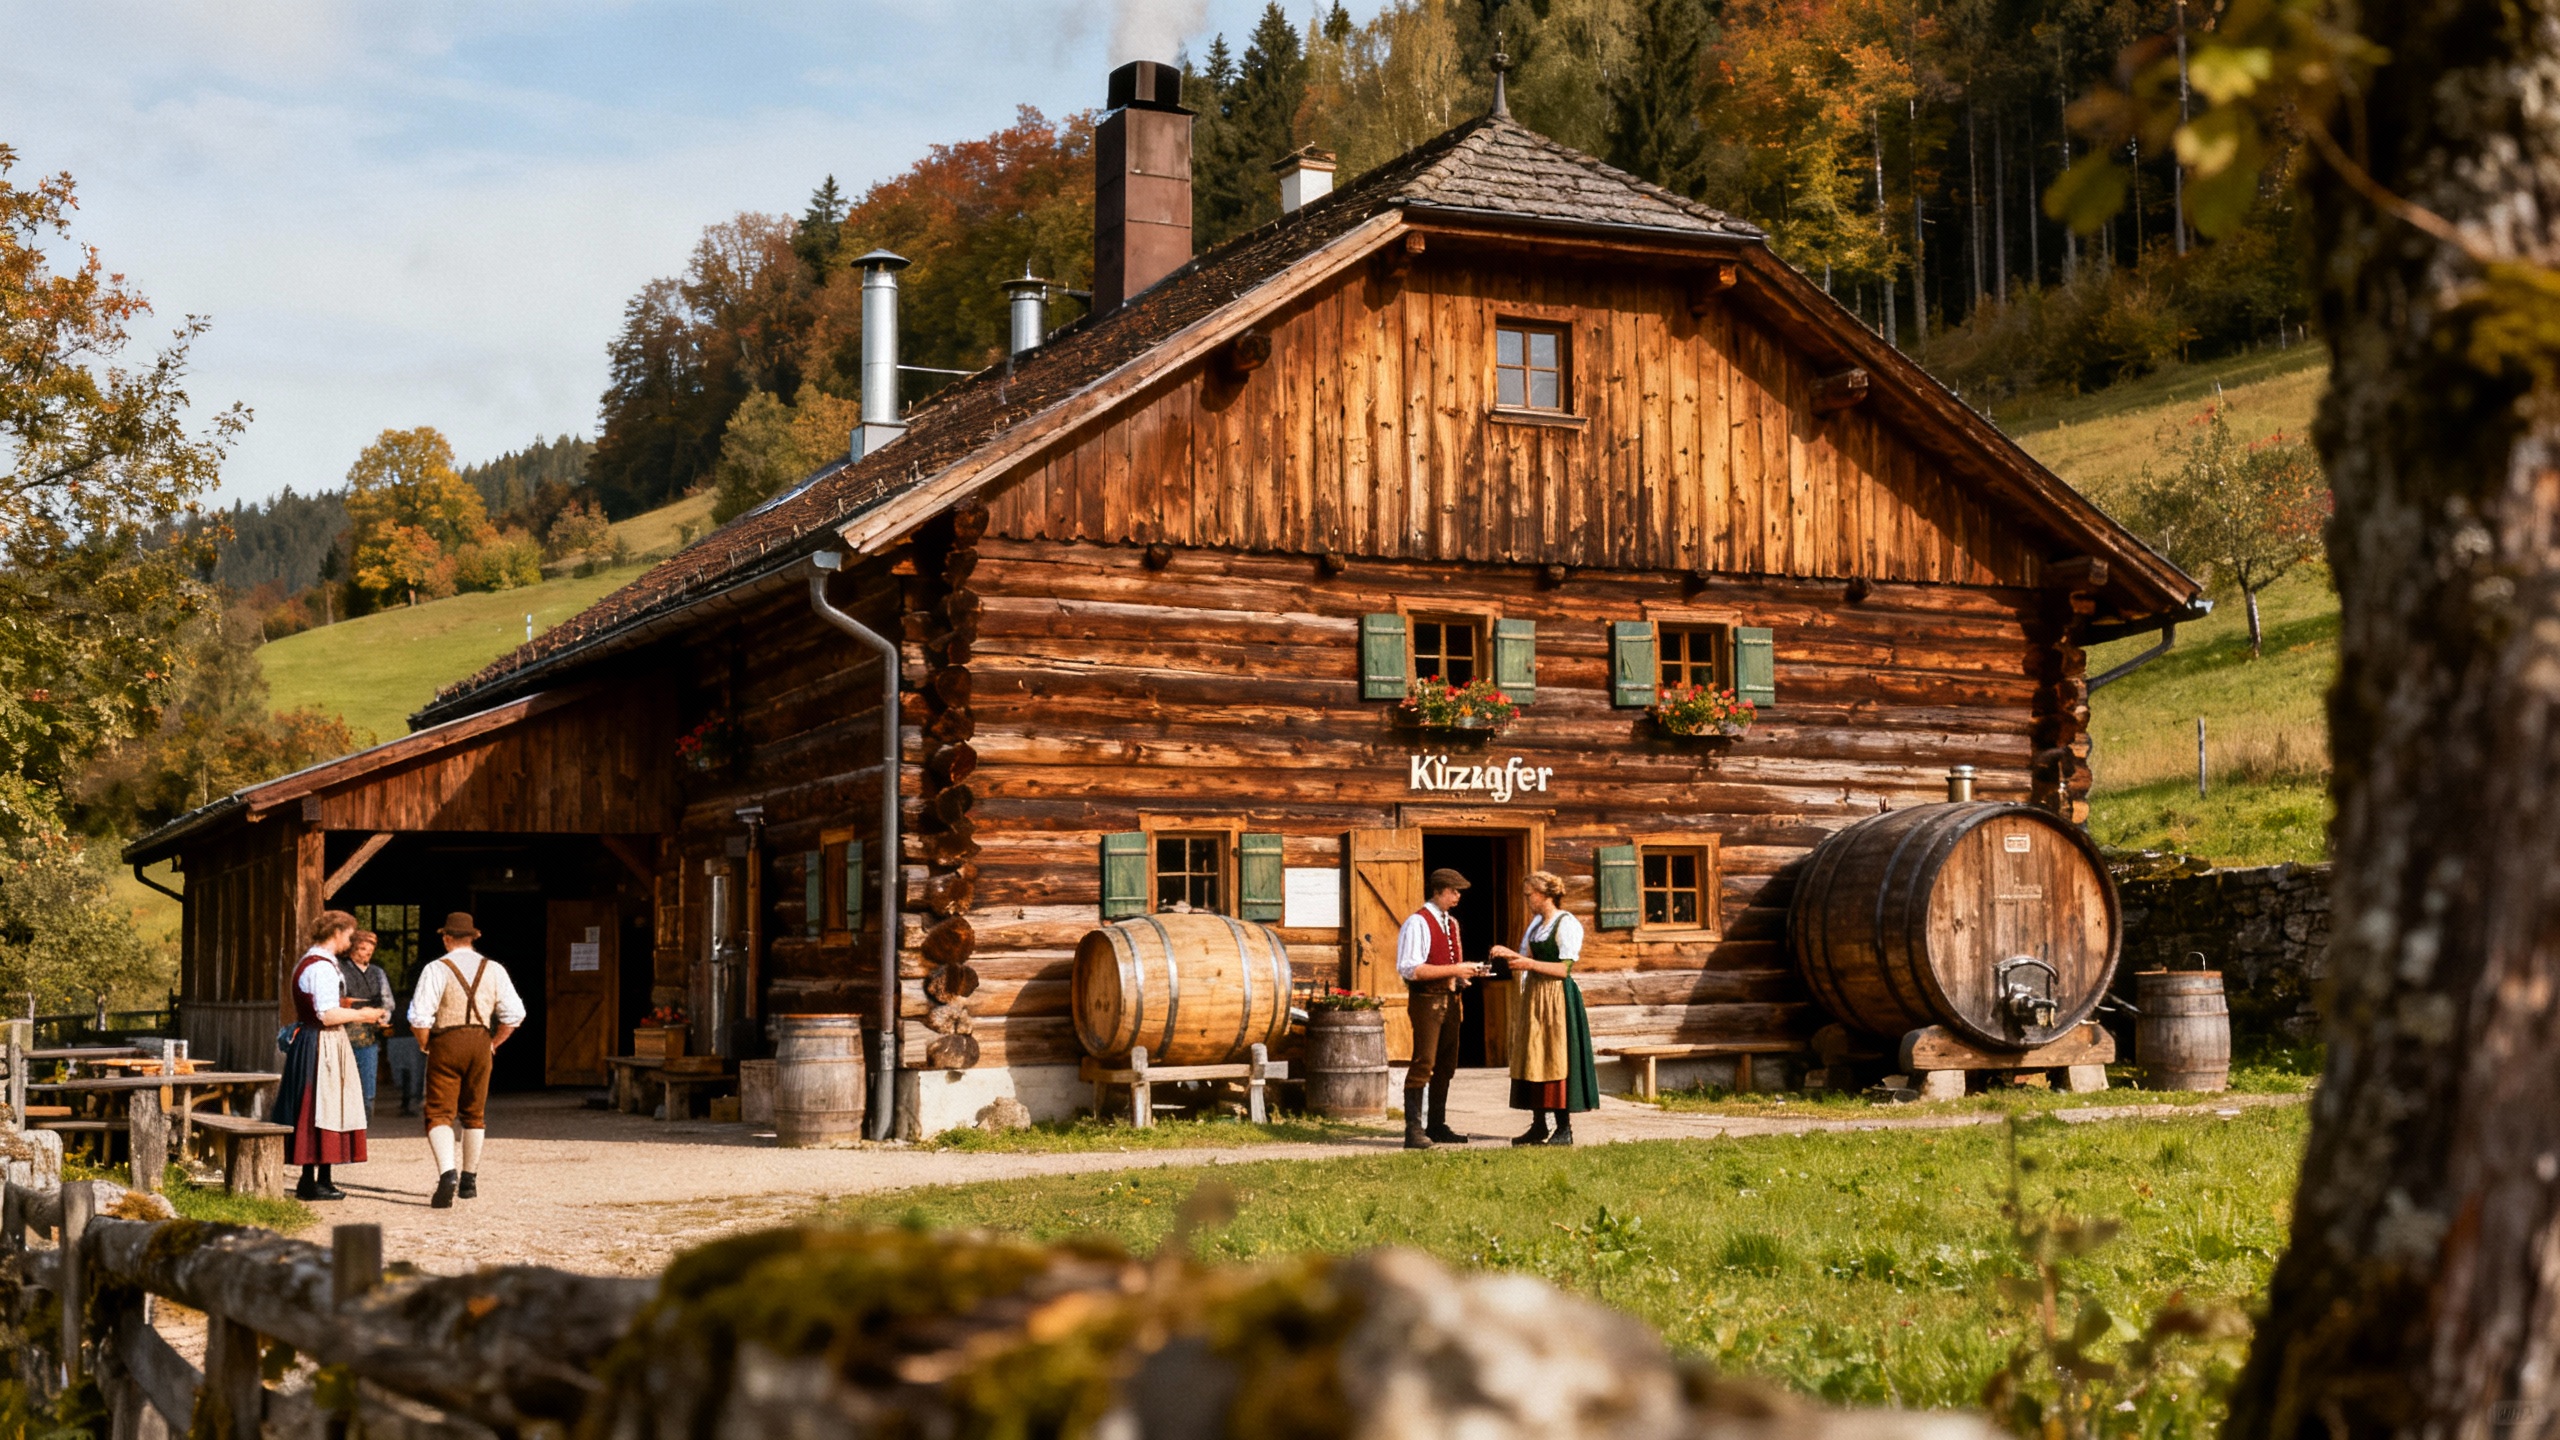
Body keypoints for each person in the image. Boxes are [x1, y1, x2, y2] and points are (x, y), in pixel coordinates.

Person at [407, 912, 526, 1209]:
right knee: (474, 1113)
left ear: (447, 938)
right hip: (480, 1042)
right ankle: (470, 1180)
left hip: (446, 1040)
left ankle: (448, 1174)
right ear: (473, 938)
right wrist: (494, 1043)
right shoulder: (494, 969)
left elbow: (419, 1016)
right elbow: (515, 1014)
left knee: (438, 1113)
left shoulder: (437, 968)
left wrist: (426, 1045)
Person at [271, 911, 388, 1201]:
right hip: (321, 1042)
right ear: (336, 932)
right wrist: (363, 1014)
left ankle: (317, 1179)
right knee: (321, 1107)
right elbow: (326, 1014)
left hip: (317, 1041)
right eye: (349, 934)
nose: (350, 940)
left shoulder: (311, 961)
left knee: (324, 1107)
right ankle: (314, 1182)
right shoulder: (320, 967)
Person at [1489, 870, 1600, 1146]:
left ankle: (1564, 1128)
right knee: (1534, 1055)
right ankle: (1539, 1125)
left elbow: (1564, 969)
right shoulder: (1538, 924)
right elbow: (1529, 958)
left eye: (1530, 895)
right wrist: (1509, 953)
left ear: (1545, 894)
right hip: (1537, 995)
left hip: (1557, 998)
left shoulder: (1566, 924)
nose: (1527, 900)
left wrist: (1527, 964)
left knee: (1555, 1056)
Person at [1394, 867, 1487, 1150]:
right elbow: (1411, 969)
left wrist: (1462, 976)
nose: (1458, 896)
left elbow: (1447, 965)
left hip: (1450, 1000)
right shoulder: (1418, 923)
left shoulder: (1452, 923)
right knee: (1425, 1061)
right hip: (1427, 1002)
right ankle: (1413, 1130)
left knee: (1446, 1065)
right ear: (1439, 891)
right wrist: (1455, 968)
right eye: (1454, 891)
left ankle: (1436, 1124)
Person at [337, 930, 397, 1116]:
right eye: (363, 948)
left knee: (367, 1090)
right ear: (352, 949)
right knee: (341, 1086)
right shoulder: (339, 969)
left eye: (370, 949)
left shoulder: (377, 973)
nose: (367, 952)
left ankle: (363, 1128)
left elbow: (388, 1003)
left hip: (369, 1036)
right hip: (342, 1033)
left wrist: (381, 1016)